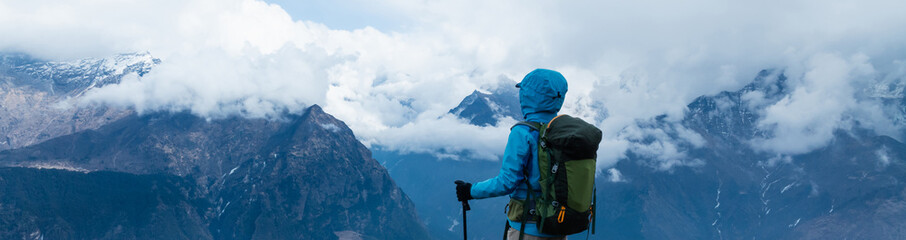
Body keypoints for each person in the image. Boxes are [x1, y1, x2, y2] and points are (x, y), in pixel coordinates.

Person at [456, 68, 568, 240]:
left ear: (529, 95)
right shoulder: (565, 130)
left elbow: (506, 183)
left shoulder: (523, 132)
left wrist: (470, 190)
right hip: (559, 224)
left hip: (528, 227)